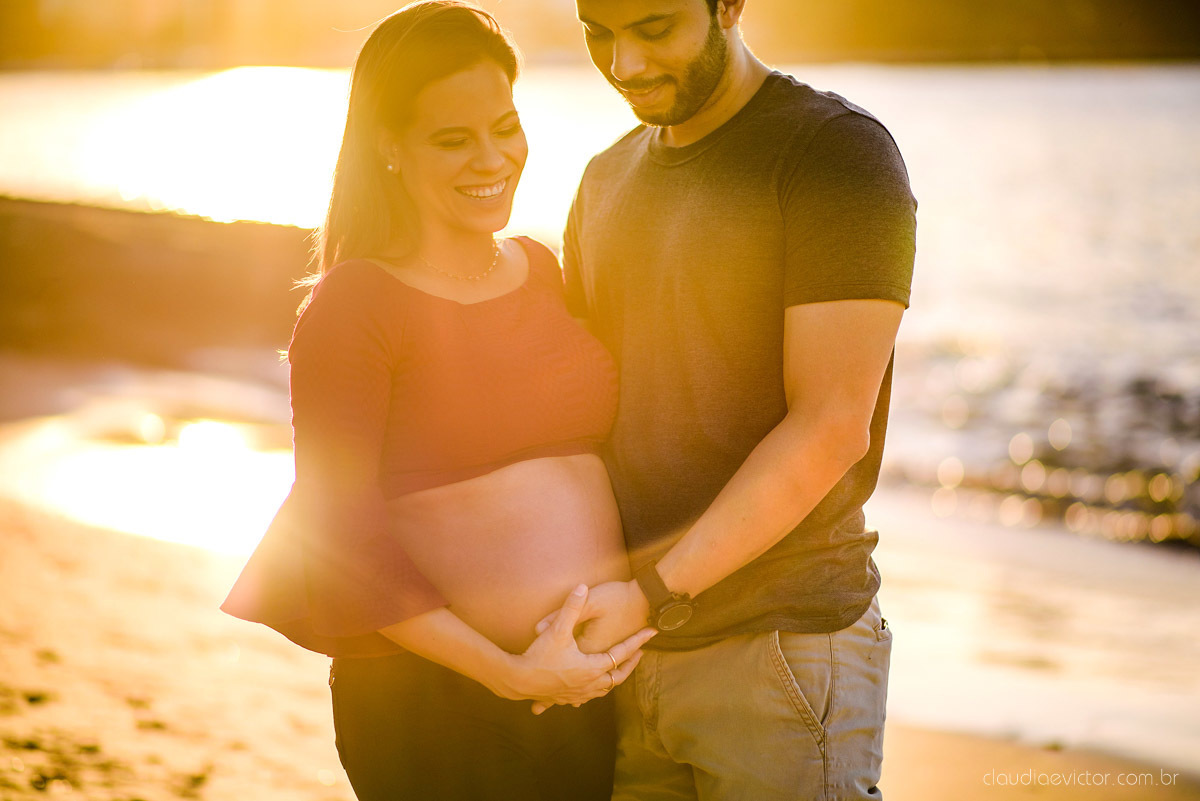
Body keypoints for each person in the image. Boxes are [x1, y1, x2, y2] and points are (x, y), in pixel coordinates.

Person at [220, 3, 654, 800]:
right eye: (453, 140)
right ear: (390, 148)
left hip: (585, 686)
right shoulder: (355, 304)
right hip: (441, 699)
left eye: (505, 126)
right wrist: (514, 672)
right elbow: (339, 531)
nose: (492, 158)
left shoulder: (543, 267)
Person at [550, 0, 918, 798]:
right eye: (599, 35)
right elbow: (582, 414)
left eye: (653, 29)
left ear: (730, 5)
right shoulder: (604, 179)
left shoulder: (835, 154)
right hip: (632, 652)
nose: (625, 66)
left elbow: (829, 427)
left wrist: (649, 592)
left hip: (782, 648)